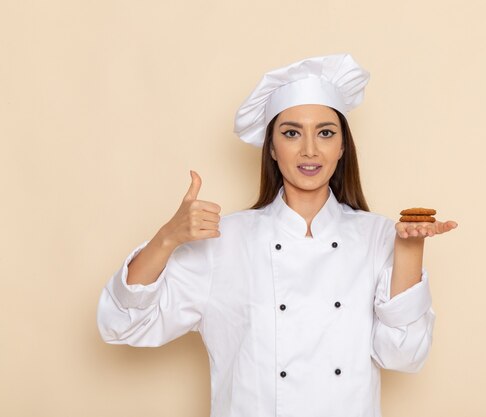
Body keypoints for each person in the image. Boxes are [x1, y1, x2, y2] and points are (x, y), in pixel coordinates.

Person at [97, 53, 457, 417]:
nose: (310, 150)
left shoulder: (379, 235)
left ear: (343, 146)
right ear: (271, 147)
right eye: (291, 133)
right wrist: (166, 239)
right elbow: (123, 324)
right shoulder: (225, 240)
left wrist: (409, 249)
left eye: (326, 133)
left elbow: (403, 355)